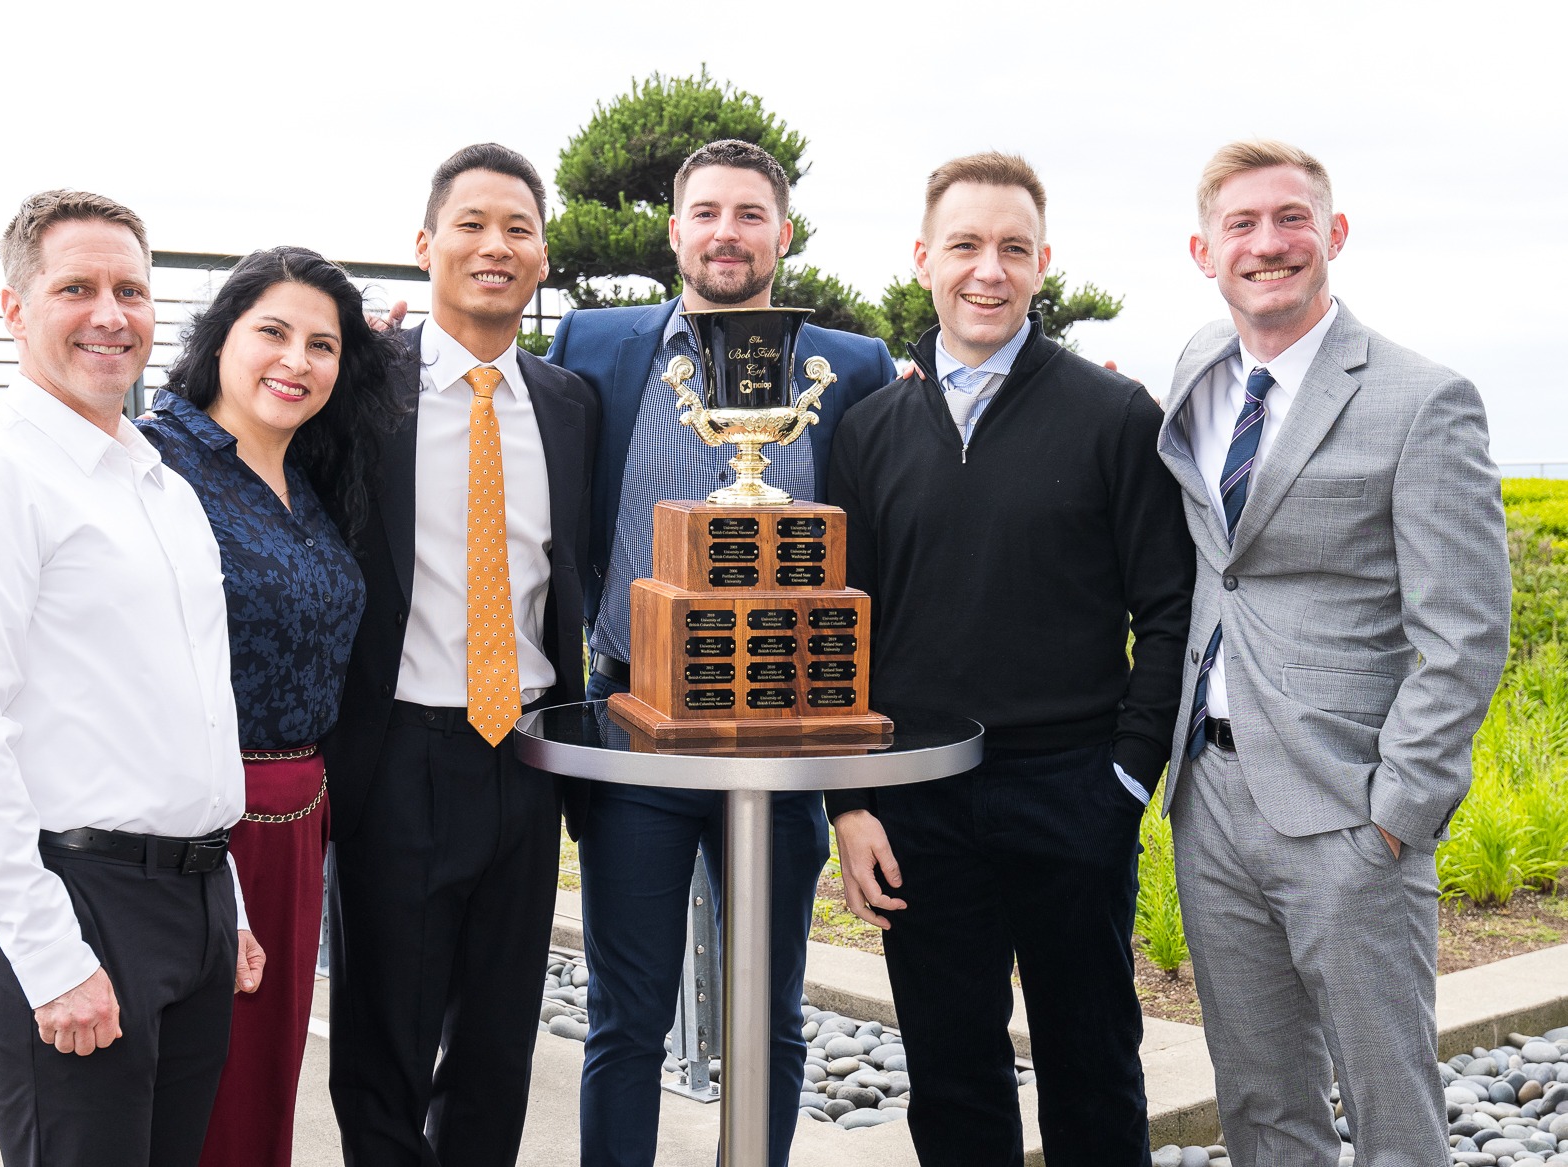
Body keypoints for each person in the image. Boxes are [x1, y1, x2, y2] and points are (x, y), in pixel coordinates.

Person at [0, 245, 402, 1166]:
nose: (296, 359)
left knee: (249, 1096)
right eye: (271, 331)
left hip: (263, 829)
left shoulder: (318, 479)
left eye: (322, 344)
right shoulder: (157, 457)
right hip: (136, 846)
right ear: (218, 335)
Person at [825, 152, 1194, 1166]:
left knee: (1092, 1065)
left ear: (1042, 266)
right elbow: (837, 630)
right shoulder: (866, 431)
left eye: (1012, 249)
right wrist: (849, 802)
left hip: (1072, 789)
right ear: (922, 259)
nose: (987, 270)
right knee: (949, 1075)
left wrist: (1125, 777)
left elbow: (1169, 611)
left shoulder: (1115, 418)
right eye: (965, 246)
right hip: (914, 799)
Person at [0, 189, 265, 1167]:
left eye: (131, 290)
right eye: (77, 288)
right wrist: (52, 963)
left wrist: (225, 900)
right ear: (16, 310)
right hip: (77, 901)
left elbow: (178, 707)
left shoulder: (159, 484)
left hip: (189, 903)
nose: (111, 314)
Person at [1156, 139, 1510, 1166]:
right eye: (1241, 225)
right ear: (1203, 251)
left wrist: (1396, 814)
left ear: (1333, 234)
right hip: (1209, 799)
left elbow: (1465, 634)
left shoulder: (1420, 399)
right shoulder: (1196, 372)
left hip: (1349, 809)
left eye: (1290, 219)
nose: (1268, 244)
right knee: (1261, 1101)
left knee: (1389, 1106)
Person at [544, 138, 895, 1167]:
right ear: (674, 230)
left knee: (768, 1011)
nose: (726, 234)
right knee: (624, 1017)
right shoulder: (597, 345)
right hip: (635, 733)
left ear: (782, 234)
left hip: (785, 740)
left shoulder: (850, 364)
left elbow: (868, 546)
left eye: (750, 215)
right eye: (706, 213)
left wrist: (853, 776)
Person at [322, 142, 598, 1166]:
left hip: (524, 754)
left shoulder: (569, 403)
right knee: (385, 1036)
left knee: (495, 1041)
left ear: (541, 258)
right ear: (426, 245)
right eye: (472, 225)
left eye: (518, 228)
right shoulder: (356, 386)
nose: (495, 246)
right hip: (396, 750)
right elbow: (220, 426)